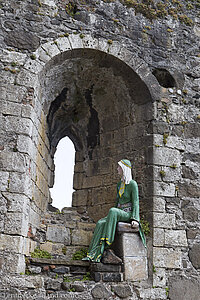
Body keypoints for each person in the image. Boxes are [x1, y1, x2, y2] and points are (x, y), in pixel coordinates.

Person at [82, 159, 146, 262]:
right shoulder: (119, 185)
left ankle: (108, 242)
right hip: (118, 212)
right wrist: (110, 217)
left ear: (124, 169)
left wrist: (135, 219)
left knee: (113, 211)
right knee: (100, 223)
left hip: (128, 213)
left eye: (119, 167)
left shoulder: (132, 184)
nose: (117, 169)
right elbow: (117, 202)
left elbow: (136, 202)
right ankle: (93, 254)